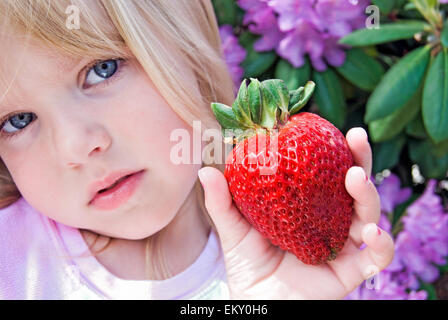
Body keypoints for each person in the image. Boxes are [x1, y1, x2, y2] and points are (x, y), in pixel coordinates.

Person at [0, 0, 394, 300]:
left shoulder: (288, 240)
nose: (78, 146)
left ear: (192, 54)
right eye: (18, 120)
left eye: (102, 69)